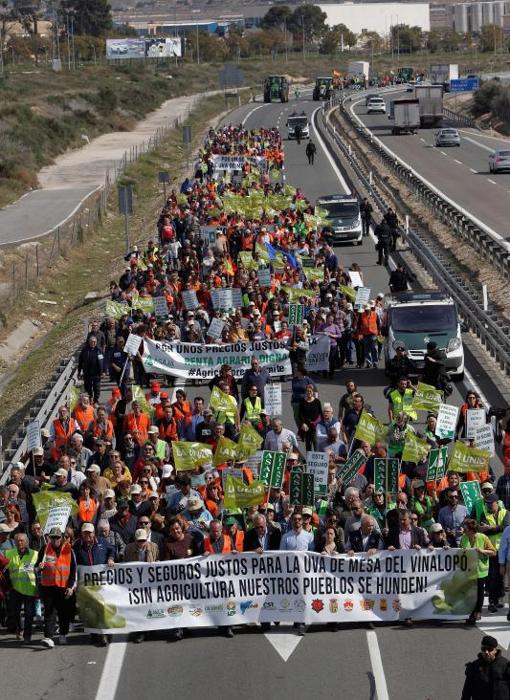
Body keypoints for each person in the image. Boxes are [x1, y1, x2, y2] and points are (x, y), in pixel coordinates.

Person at [37, 526, 77, 648]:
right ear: (49, 537)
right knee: (49, 613)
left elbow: (74, 571)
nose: (55, 540)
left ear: (62, 538)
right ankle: (48, 637)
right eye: (52, 537)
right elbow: (36, 568)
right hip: (48, 587)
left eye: (57, 537)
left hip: (64, 587)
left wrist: (71, 587)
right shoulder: (44, 549)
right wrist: (39, 567)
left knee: (63, 613)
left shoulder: (69, 550)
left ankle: (63, 634)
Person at [280, 512, 314, 635]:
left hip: (304, 572)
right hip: (290, 573)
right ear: (291, 521)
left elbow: (312, 553)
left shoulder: (309, 536)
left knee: (303, 596)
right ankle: (296, 619)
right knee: (293, 596)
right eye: (295, 519)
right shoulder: (286, 537)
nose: (298, 521)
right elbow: (281, 555)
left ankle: (301, 623)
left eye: (300, 519)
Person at [461, 518, 496, 625]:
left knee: (479, 592)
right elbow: (459, 551)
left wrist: (482, 551)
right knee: (469, 592)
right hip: (468, 570)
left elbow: (493, 552)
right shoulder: (464, 538)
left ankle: (478, 611)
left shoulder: (483, 537)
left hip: (480, 570)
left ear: (472, 529)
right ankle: (470, 612)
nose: (464, 530)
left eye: (465, 528)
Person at [5, 532, 38, 643]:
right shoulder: (8, 554)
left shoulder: (35, 554)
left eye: (22, 540)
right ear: (14, 542)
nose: (19, 543)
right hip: (14, 589)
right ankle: (19, 629)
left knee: (29, 614)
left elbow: (39, 571)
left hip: (29, 589)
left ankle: (27, 635)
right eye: (17, 541)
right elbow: (4, 571)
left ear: (27, 542)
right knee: (15, 613)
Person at [461, 635, 510, 700]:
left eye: (490, 649)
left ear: (495, 650)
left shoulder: (506, 665)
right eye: (484, 649)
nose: (486, 652)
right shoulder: (474, 666)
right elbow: (467, 691)